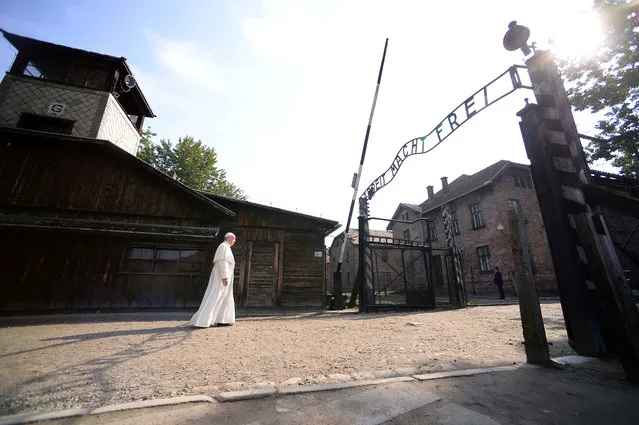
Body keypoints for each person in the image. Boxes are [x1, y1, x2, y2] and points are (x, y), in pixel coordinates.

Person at [191, 232, 237, 328]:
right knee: (216, 297)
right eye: (234, 239)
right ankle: (203, 321)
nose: (234, 241)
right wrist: (225, 276)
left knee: (224, 298)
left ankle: (222, 320)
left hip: (226, 278)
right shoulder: (223, 247)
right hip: (221, 278)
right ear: (229, 238)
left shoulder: (227, 248)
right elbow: (222, 262)